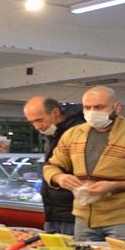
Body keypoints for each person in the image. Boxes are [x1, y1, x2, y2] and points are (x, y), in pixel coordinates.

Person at [43, 86, 125, 241]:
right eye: (87, 107)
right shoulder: (73, 135)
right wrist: (58, 178)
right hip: (84, 220)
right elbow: (51, 166)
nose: (92, 112)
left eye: (99, 107)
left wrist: (114, 186)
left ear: (117, 107)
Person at [24, 96, 85, 235]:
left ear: (55, 112)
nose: (37, 127)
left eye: (39, 120)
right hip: (53, 212)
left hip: (73, 213)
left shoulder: (79, 132)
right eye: (32, 122)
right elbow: (51, 166)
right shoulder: (52, 134)